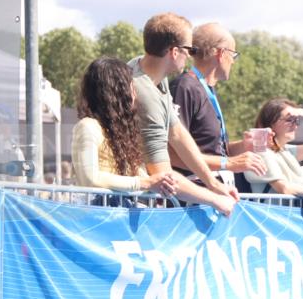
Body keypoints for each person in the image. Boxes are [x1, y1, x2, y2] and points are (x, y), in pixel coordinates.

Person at [72, 57, 235, 215]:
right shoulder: (88, 126)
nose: (135, 92)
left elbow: (150, 178)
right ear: (118, 91)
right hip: (97, 217)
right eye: (131, 85)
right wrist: (145, 183)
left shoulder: (122, 134)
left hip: (120, 215)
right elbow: (90, 178)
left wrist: (212, 198)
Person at [128, 13, 237, 205]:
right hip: (124, 199)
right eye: (189, 49)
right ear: (175, 51)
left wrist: (212, 183)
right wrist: (217, 200)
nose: (190, 55)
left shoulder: (147, 70)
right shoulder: (146, 96)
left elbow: (177, 133)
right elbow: (164, 175)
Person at [168, 22, 266, 183]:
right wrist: (228, 163)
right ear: (221, 53)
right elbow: (172, 154)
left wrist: (243, 146)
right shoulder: (184, 87)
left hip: (215, 192)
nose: (233, 62)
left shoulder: (206, 88)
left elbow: (213, 152)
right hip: (192, 197)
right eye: (233, 55)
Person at [244, 99, 303, 203]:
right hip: (273, 216)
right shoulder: (262, 153)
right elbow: (284, 188)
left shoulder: (285, 151)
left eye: (296, 120)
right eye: (289, 119)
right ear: (271, 123)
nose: (295, 125)